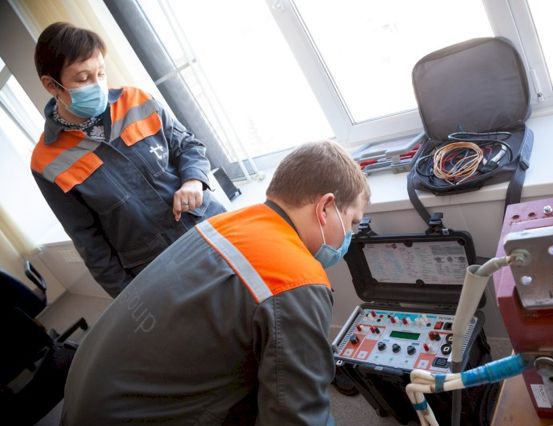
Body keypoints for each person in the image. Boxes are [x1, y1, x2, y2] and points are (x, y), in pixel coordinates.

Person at [61, 140, 370, 425]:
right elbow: (299, 419)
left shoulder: (225, 223)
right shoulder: (296, 279)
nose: (350, 235)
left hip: (87, 393)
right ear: (325, 207)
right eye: (352, 222)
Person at [30, 22, 226, 297]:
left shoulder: (137, 100)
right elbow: (89, 243)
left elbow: (187, 145)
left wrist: (194, 180)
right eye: (83, 79)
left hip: (209, 226)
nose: (97, 85)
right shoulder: (46, 162)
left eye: (100, 73)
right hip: (158, 268)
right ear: (52, 85)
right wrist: (131, 300)